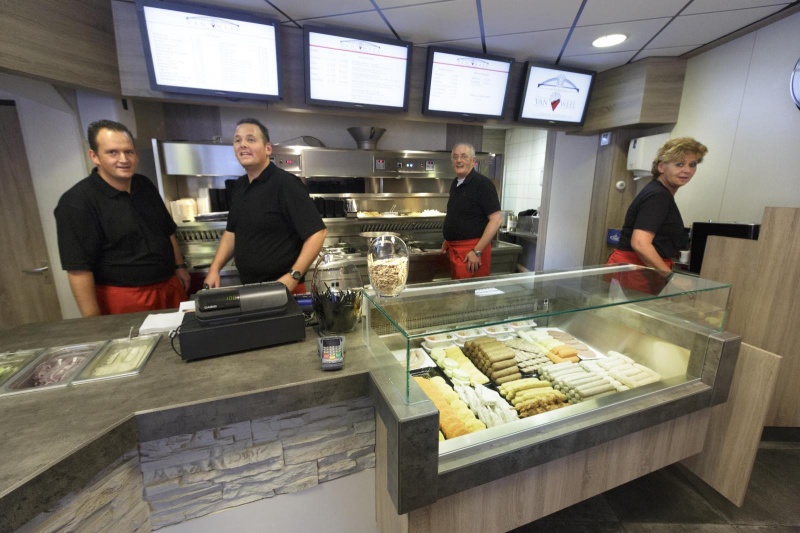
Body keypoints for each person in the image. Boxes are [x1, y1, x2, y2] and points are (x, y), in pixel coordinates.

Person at [55, 120, 189, 316]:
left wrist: (179, 267)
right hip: (123, 298)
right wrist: (93, 322)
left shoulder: (143, 185)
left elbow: (167, 231)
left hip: (168, 288)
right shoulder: (77, 202)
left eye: (129, 152)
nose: (123, 159)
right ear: (94, 156)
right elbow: (78, 269)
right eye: (112, 152)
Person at [204, 118, 326, 292]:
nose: (242, 144)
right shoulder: (239, 186)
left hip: (282, 288)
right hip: (249, 287)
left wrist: (293, 276)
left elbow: (318, 233)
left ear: (268, 148)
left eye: (250, 139)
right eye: (238, 140)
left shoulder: (286, 184)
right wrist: (214, 269)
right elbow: (232, 232)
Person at [606, 136, 708, 293]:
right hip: (635, 271)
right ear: (661, 167)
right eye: (679, 164)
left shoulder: (659, 192)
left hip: (640, 270)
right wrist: (671, 276)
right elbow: (640, 243)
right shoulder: (658, 196)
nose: (687, 170)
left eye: (692, 164)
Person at [441, 143, 502, 279]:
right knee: (458, 297)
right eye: (455, 157)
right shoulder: (456, 183)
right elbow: (459, 214)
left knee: (469, 297)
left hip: (471, 252)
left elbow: (496, 219)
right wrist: (449, 238)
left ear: (473, 161)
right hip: (456, 249)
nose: (459, 160)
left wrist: (477, 251)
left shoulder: (483, 184)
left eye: (464, 156)